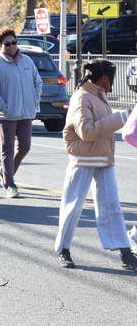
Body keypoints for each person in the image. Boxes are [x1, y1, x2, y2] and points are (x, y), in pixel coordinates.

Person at [55, 60, 137, 271]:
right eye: (112, 78)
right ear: (104, 79)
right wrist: (122, 117)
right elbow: (87, 132)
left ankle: (125, 252)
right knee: (73, 206)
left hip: (103, 158)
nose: (112, 82)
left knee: (112, 207)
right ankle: (63, 249)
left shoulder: (98, 95)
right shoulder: (81, 97)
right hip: (82, 158)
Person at [0, 28, 42, 199]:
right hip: (5, 116)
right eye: (7, 44)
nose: (11, 46)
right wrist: (4, 108)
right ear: (1, 45)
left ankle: (5, 172)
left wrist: (34, 100)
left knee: (25, 147)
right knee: (7, 149)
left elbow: (37, 82)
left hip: (25, 113)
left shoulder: (27, 61)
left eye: (14, 42)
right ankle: (10, 184)